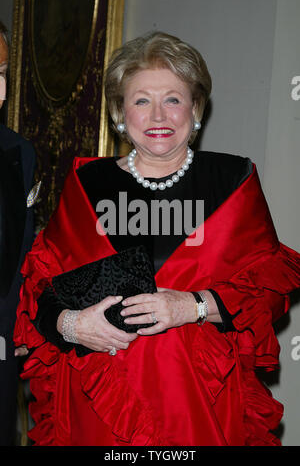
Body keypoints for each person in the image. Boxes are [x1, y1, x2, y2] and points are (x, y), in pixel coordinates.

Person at [14, 32, 300, 446]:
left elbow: (269, 292)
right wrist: (72, 325)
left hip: (197, 401)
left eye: (173, 98)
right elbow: (42, 287)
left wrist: (192, 306)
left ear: (195, 108)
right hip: (100, 403)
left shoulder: (233, 180)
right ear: (120, 111)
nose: (158, 115)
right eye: (141, 100)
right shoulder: (86, 182)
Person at [0, 21, 36, 446]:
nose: (2, 94)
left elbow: (20, 255)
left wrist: (20, 327)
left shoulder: (19, 152)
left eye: (3, 75)